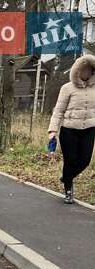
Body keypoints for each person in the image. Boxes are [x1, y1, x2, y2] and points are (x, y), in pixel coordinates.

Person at [48, 54, 95, 204]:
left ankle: (66, 177)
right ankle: (68, 191)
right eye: (83, 69)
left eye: (90, 70)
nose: (86, 72)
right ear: (77, 70)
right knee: (70, 160)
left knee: (85, 160)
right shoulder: (67, 88)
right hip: (69, 130)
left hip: (89, 129)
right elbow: (58, 110)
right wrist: (53, 130)